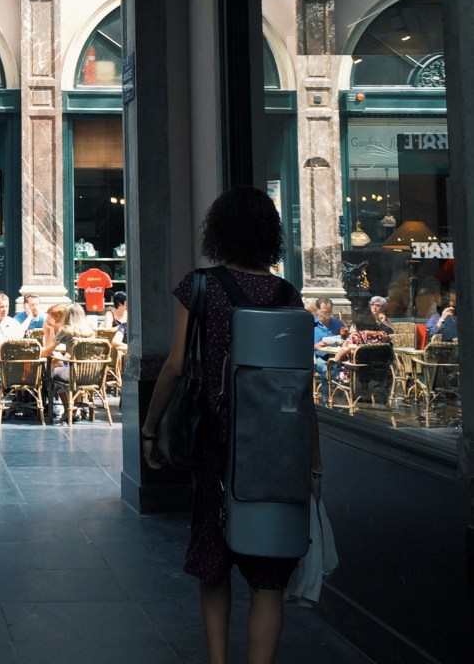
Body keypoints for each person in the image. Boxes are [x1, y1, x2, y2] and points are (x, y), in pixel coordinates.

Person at [140, 187, 321, 664]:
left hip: (216, 442)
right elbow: (301, 388)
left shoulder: (200, 287)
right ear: (270, 235)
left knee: (213, 561)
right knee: (268, 577)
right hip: (276, 447)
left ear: (217, 232)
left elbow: (177, 366)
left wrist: (150, 427)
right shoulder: (287, 294)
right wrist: (314, 466)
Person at [312, 296, 344, 400]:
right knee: (328, 370)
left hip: (337, 357)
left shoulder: (338, 324)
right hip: (318, 357)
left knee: (344, 372)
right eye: (323, 312)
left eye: (329, 312)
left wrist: (342, 341)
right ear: (317, 311)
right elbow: (300, 344)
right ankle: (327, 399)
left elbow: (345, 340)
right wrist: (315, 346)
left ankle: (336, 398)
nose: (326, 316)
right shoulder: (310, 324)